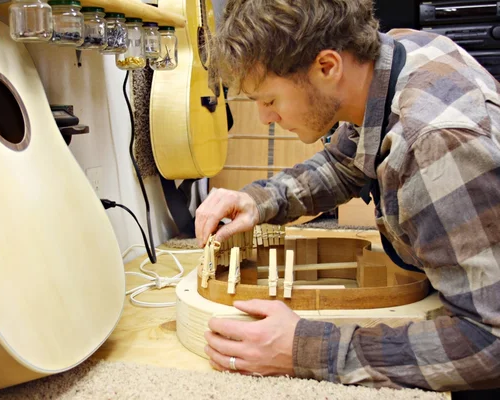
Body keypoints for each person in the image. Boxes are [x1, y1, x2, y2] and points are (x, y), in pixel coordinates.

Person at [194, 0, 500, 392]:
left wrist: (308, 350)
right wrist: (260, 199)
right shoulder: (397, 55)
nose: (264, 118)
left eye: (269, 100)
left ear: (327, 67)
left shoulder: (432, 143)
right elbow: (347, 163)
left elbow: (488, 342)